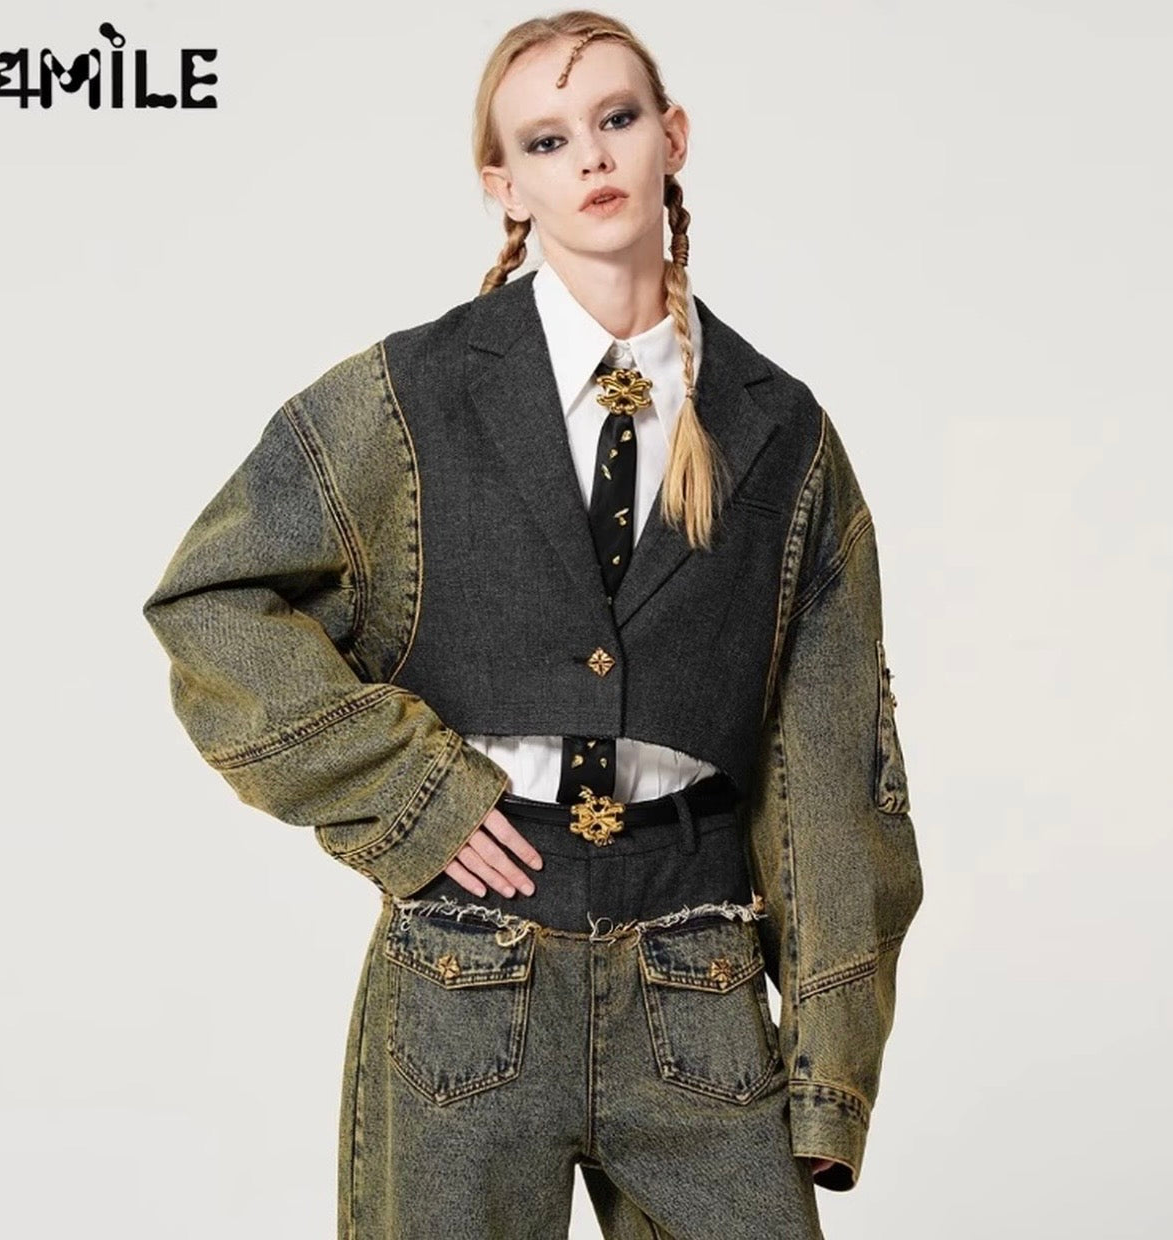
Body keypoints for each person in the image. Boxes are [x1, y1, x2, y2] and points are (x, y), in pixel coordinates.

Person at [141, 10, 924, 1238]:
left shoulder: (779, 430)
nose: (592, 156)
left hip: (698, 980)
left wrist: (832, 1065)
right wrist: (412, 793)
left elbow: (829, 763)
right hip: (466, 973)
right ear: (505, 184)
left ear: (671, 137)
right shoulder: (409, 397)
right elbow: (213, 600)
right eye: (548, 140)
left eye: (617, 119)